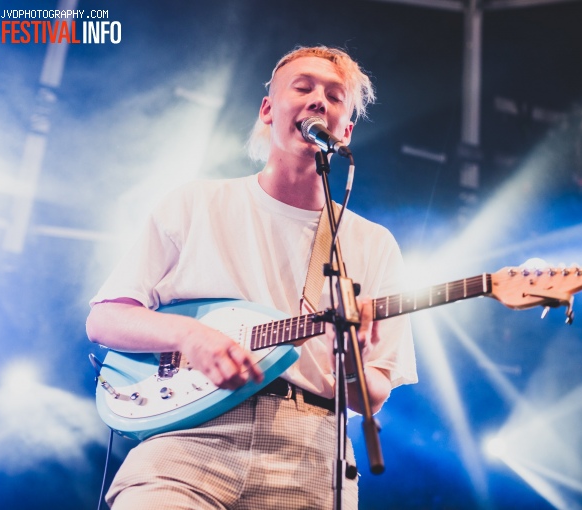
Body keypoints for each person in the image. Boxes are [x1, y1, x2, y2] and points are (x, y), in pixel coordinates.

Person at [86, 45, 417, 509]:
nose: (319, 100)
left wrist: (352, 357)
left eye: (335, 96)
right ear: (267, 109)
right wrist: (191, 336)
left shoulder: (372, 243)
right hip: (187, 440)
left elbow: (372, 396)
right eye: (302, 88)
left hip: (310, 453)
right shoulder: (194, 204)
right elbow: (104, 320)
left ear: (347, 129)